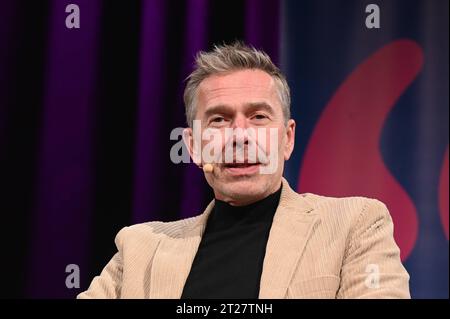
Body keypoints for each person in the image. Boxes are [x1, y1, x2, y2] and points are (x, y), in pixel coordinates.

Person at [78, 42, 410, 299]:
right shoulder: (139, 248)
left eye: (259, 117)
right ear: (193, 145)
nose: (240, 135)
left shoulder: (356, 224)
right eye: (219, 119)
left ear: (288, 138)